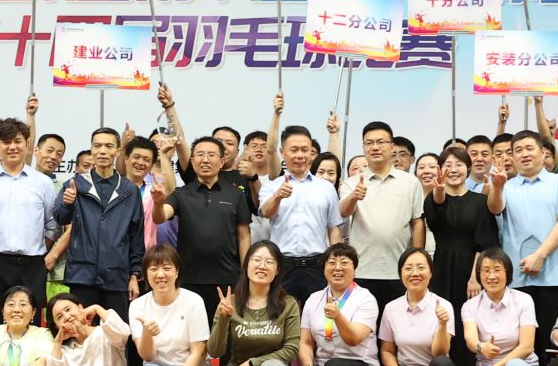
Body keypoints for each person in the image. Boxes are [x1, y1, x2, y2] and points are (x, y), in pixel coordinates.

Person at [486, 130, 558, 351]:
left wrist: (540, 255)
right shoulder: (506, 185)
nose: (524, 154)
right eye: (517, 150)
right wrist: (497, 186)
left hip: (553, 276)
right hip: (517, 277)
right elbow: (495, 208)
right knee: (521, 345)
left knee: (553, 344)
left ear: (543, 153)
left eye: (529, 148)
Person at [0, 116, 57, 329]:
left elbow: (52, 225)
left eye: (17, 141)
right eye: (6, 142)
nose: (12, 147)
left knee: (31, 329)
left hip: (32, 267)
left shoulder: (43, 182)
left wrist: (39, 251)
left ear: (27, 144)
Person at [211, 242, 303, 366]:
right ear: (246, 266)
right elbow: (215, 351)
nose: (262, 266)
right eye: (257, 260)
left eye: (269, 262)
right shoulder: (230, 302)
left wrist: (251, 364)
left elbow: (291, 349)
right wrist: (224, 318)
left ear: (277, 270)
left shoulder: (288, 304)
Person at [291, 242, 382, 366]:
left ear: (355, 269)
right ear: (324, 268)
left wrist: (338, 316)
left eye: (344, 263)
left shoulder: (365, 299)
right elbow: (306, 341)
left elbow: (353, 339)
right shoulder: (314, 299)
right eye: (331, 263)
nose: (337, 268)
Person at [420, 146, 499, 366]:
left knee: (469, 324)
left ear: (468, 168)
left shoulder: (481, 201)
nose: (453, 169)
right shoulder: (432, 199)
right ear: (440, 170)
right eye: (448, 165)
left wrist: (475, 278)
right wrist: (438, 190)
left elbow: (484, 243)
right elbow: (435, 218)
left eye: (459, 164)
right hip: (442, 270)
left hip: (471, 270)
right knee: (443, 323)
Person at [124, 245, 212, 366]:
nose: (161, 274)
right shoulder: (137, 305)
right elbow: (147, 356)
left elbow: (198, 353)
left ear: (177, 271)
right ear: (146, 274)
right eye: (154, 269)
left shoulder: (193, 301)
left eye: (167, 268)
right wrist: (147, 333)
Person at [54, 127, 147, 315]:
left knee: (117, 329)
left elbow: (136, 236)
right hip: (82, 275)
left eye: (108, 146)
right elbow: (60, 217)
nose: (102, 151)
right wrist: (67, 203)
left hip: (116, 277)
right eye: (97, 146)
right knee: (80, 328)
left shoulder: (129, 190)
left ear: (118, 151)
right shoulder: (75, 184)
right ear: (92, 149)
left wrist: (134, 276)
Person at [154, 136, 252, 313]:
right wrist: (158, 203)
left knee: (225, 326)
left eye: (211, 155)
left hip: (228, 278)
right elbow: (160, 217)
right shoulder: (181, 194)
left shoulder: (236, 194)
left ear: (222, 161)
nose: (205, 160)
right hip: (188, 279)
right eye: (200, 155)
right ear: (192, 161)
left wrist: (246, 273)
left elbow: (244, 235)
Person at [377, 247, 461, 366]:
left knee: (444, 364)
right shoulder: (391, 308)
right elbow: (387, 350)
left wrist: (442, 324)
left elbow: (441, 352)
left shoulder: (443, 305)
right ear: (401, 274)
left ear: (431, 273)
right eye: (408, 268)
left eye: (421, 268)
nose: (415, 273)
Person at [460, 247, 544, 366]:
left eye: (497, 270)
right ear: (479, 274)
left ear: (508, 272)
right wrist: (480, 347)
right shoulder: (470, 306)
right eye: (485, 270)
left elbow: (526, 347)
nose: (491, 276)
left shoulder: (523, 300)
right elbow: (470, 339)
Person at [340, 122, 425, 307]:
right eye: (369, 143)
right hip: (361, 270)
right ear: (363, 147)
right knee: (361, 322)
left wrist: (416, 258)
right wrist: (354, 196)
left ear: (391, 146)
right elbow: (343, 212)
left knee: (398, 323)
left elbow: (417, 222)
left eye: (381, 142)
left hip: (399, 270)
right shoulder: (351, 183)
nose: (375, 147)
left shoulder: (410, 182)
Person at [259, 125, 345, 303]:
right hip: (282, 265)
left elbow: (333, 228)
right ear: (283, 152)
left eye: (305, 150)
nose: (300, 155)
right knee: (279, 313)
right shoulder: (271, 186)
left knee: (320, 315)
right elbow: (266, 212)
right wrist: (278, 196)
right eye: (294, 150)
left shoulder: (326, 188)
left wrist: (336, 261)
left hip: (317, 265)